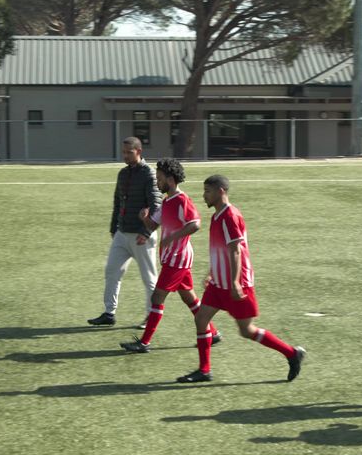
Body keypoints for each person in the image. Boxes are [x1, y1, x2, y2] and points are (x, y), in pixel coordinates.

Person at [176, 174, 306, 383]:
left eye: (208, 191)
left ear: (221, 191)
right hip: (219, 283)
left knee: (247, 330)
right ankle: (204, 370)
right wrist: (212, 272)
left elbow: (236, 250)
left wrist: (236, 282)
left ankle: (292, 353)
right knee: (201, 319)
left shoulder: (229, 216)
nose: (204, 196)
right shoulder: (218, 216)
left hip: (236, 284)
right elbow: (222, 249)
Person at [120, 159, 223, 352]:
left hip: (178, 258)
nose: (157, 183)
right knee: (189, 298)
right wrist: (144, 219)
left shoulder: (182, 200)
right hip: (172, 257)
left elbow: (195, 224)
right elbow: (153, 225)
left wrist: (172, 238)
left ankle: (144, 342)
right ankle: (213, 333)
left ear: (170, 179)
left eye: (159, 179)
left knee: (157, 297)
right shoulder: (167, 202)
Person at [87, 137, 161, 327]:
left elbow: (156, 205)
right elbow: (118, 202)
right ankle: (109, 313)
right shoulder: (122, 173)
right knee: (112, 271)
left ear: (139, 151)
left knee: (149, 279)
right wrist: (114, 228)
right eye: (124, 152)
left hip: (141, 236)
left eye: (129, 152)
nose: (125, 155)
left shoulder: (149, 174)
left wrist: (146, 231)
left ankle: (150, 316)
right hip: (122, 233)